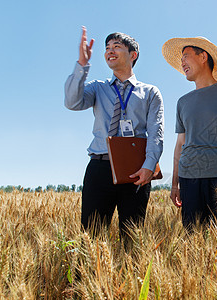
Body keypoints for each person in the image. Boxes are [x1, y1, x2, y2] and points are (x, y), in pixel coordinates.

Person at [65, 27, 164, 237]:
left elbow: (156, 132)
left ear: (133, 55)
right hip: (100, 168)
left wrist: (148, 167)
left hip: (136, 172)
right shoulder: (97, 87)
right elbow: (72, 102)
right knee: (91, 238)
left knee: (132, 239)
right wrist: (82, 65)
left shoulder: (150, 92)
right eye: (107, 48)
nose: (110, 51)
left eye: (116, 47)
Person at [162, 37, 217, 250]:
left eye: (186, 56)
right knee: (193, 244)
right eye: (181, 58)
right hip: (190, 177)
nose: (182, 62)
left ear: (203, 57)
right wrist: (175, 183)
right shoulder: (182, 102)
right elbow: (180, 144)